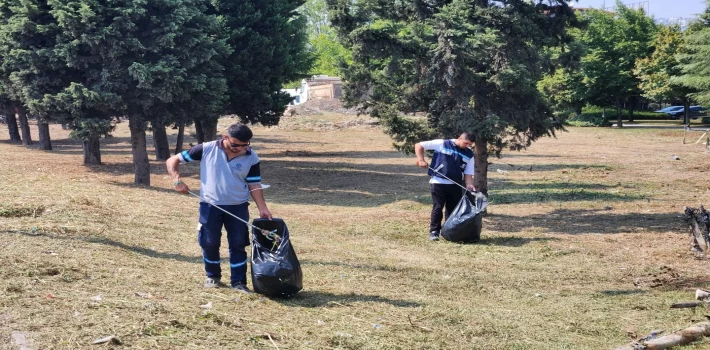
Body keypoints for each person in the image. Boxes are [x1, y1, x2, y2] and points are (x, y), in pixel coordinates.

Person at [166, 123, 272, 293]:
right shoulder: (206, 149)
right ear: (225, 138)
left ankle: (238, 282)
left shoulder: (251, 156)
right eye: (236, 144)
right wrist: (177, 179)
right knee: (209, 243)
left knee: (238, 244)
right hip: (210, 205)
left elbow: (254, 184)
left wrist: (263, 208)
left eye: (245, 145)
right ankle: (213, 276)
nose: (240, 149)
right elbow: (172, 160)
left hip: (238, 206)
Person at [414, 133, 475, 241]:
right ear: (460, 138)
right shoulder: (442, 143)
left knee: (452, 209)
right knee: (438, 207)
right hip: (438, 182)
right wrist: (421, 160)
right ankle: (434, 232)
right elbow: (419, 145)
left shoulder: (469, 154)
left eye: (469, 144)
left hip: (455, 184)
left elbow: (468, 172)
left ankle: (448, 231)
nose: (467, 146)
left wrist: (469, 184)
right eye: (466, 143)